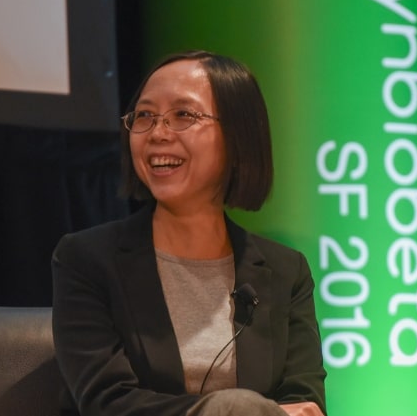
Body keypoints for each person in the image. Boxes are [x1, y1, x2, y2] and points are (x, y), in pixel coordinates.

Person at [52, 50, 327, 416]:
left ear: (238, 135)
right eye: (144, 116)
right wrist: (230, 410)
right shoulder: (87, 259)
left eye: (183, 115)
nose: (157, 133)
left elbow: (305, 404)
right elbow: (108, 403)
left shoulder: (285, 270)